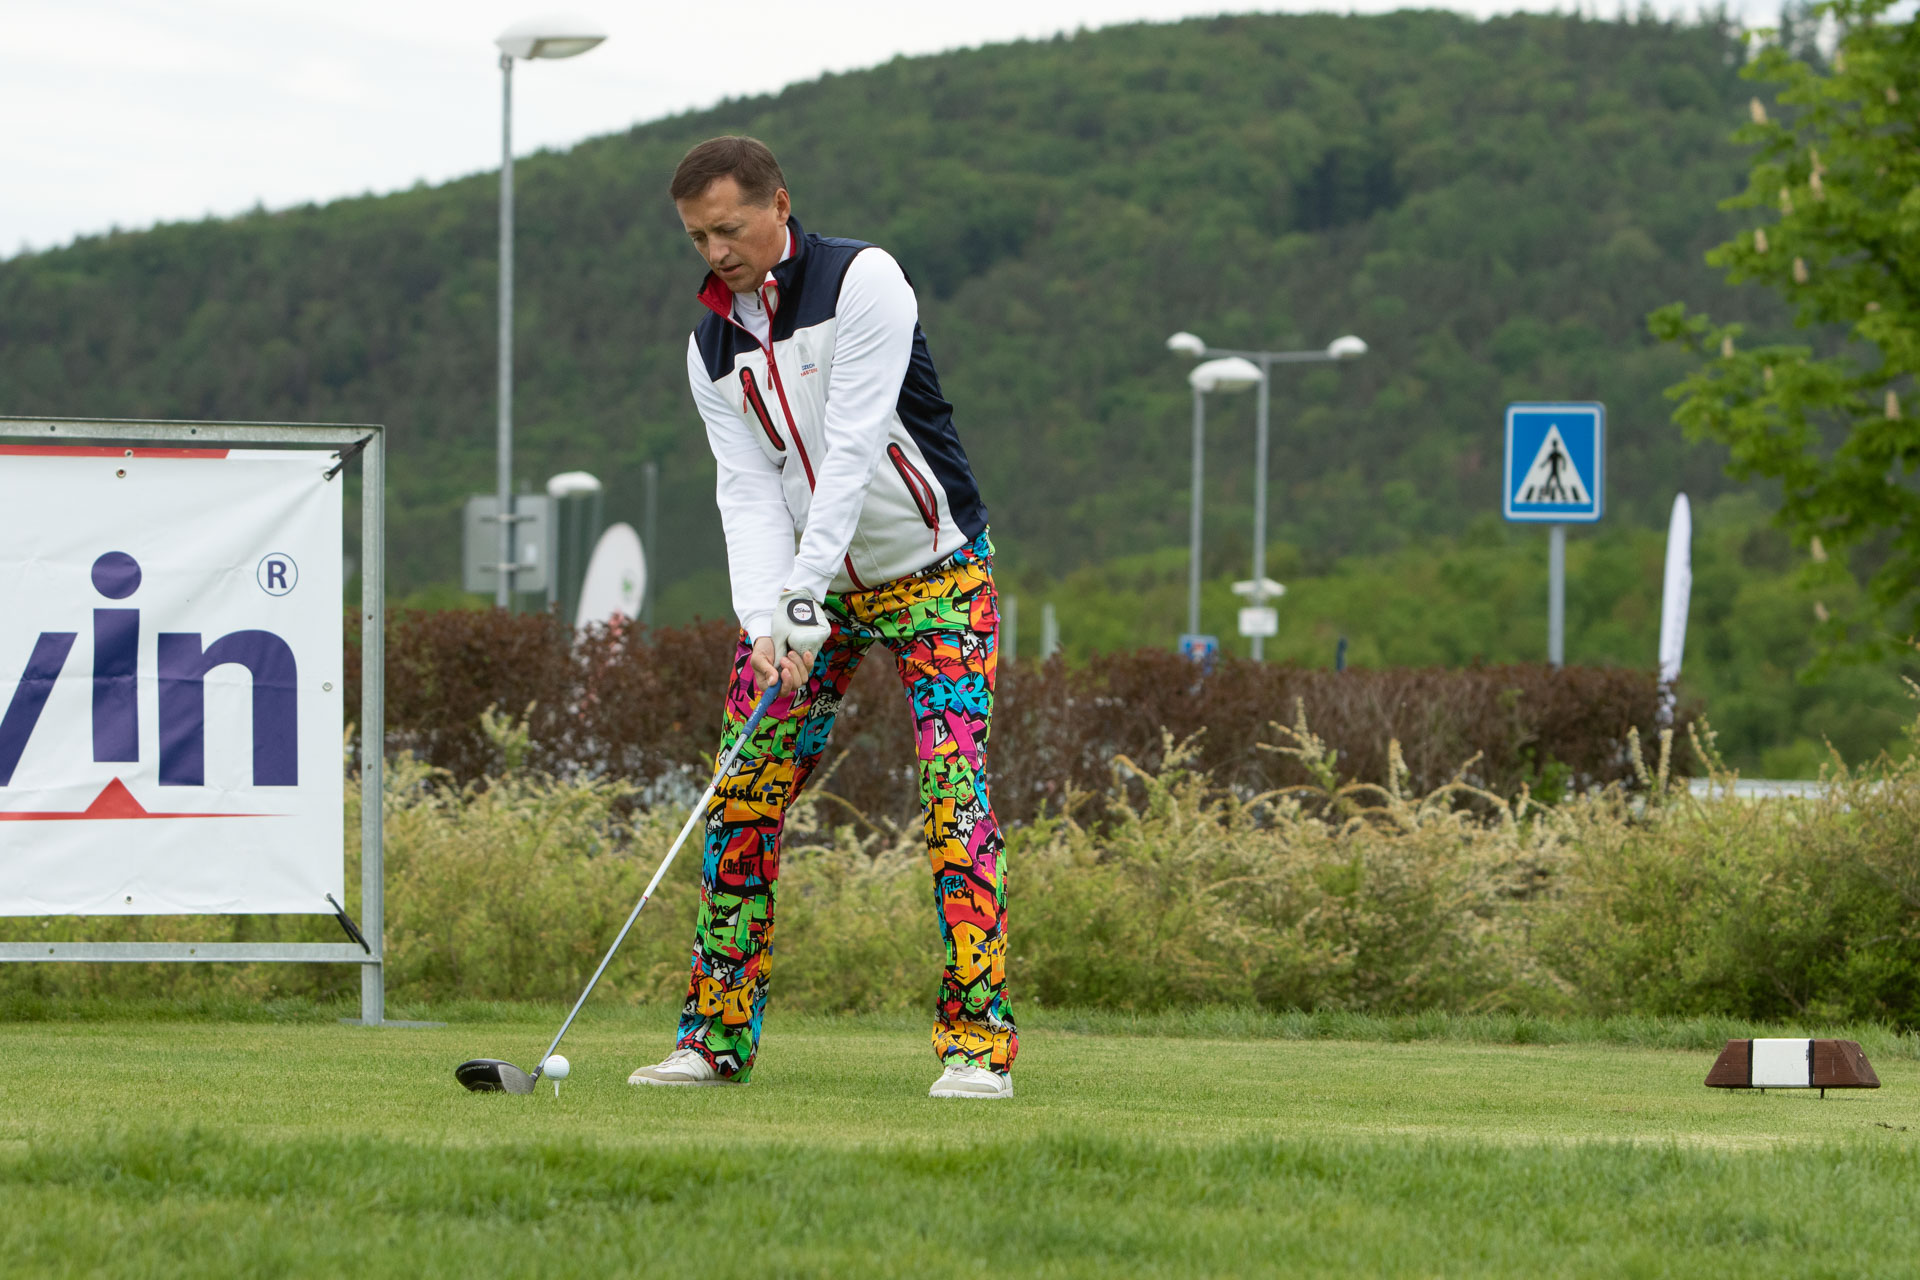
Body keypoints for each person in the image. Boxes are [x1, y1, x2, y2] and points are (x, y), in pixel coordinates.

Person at [627, 136, 1015, 1099]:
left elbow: (851, 447)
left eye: (728, 229)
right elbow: (747, 490)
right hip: (810, 596)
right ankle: (714, 1041)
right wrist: (766, 621)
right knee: (742, 796)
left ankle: (977, 1047)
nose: (715, 252)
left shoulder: (864, 280)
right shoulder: (709, 347)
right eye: (697, 238)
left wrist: (799, 596)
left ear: (779, 204)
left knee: (952, 800)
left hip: (937, 573)